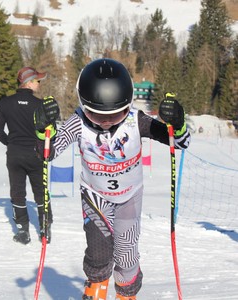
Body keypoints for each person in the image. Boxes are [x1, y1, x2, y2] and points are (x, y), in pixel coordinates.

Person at [34, 58, 191, 299]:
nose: (106, 121)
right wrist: (43, 130)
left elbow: (179, 142)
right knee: (98, 253)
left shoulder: (135, 120)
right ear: (83, 105)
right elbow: (49, 151)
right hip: (95, 197)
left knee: (126, 254)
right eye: (97, 115)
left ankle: (126, 294)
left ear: (128, 105)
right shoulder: (78, 121)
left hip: (129, 196)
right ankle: (96, 290)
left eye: (116, 113)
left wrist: (177, 124)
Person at [0, 67, 59, 245]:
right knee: (41, 191)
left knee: (17, 192)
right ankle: (45, 229)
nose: (39, 83)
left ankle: (23, 231)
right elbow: (51, 134)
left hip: (14, 154)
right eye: (37, 81)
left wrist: (11, 143)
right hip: (35, 154)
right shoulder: (40, 104)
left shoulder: (5, 103)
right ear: (28, 82)